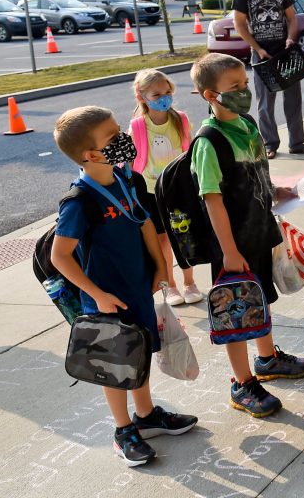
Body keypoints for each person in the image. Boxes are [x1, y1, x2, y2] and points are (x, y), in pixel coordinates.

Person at [51, 106, 198, 466]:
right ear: (90, 155)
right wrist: (98, 295)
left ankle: (146, 416)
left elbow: (145, 223)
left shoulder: (124, 179)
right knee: (114, 364)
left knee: (139, 352)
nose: (123, 141)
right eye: (113, 137)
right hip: (105, 300)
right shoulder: (79, 202)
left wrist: (161, 266)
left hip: (137, 287)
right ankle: (123, 429)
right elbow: (60, 257)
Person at [189, 53, 304, 418]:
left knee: (261, 299)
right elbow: (212, 201)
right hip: (232, 244)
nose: (244, 92)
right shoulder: (209, 142)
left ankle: (267, 359)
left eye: (245, 85)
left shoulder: (247, 125)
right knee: (236, 313)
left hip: (259, 232)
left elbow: (257, 175)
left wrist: (278, 192)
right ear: (209, 95)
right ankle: (241, 383)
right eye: (234, 87)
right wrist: (228, 251)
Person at [232, 0, 304, 159]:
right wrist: (258, 48)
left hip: (285, 54)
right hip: (262, 57)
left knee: (293, 100)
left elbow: (292, 18)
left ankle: (297, 144)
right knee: (265, 104)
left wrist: (291, 38)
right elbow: (240, 25)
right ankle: (270, 145)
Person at [128, 69, 202, 305]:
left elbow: (189, 151)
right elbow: (130, 162)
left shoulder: (180, 119)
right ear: (142, 97)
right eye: (156, 94)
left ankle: (189, 282)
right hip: (151, 192)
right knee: (162, 241)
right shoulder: (138, 126)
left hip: (179, 187)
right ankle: (170, 285)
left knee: (184, 236)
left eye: (167, 91)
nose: (164, 97)